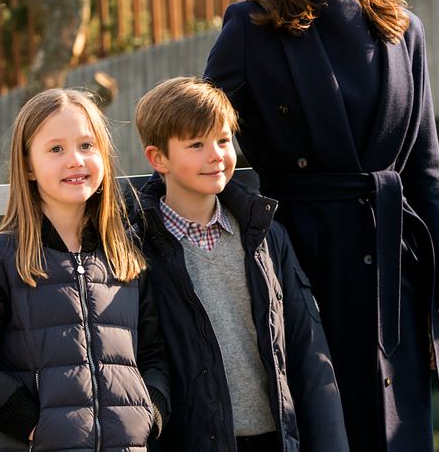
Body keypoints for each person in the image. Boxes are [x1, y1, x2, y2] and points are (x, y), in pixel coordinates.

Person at [204, 0, 439, 451]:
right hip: (300, 266)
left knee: (398, 434)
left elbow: (424, 167)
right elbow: (201, 132)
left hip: (394, 273)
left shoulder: (404, 28)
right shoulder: (250, 27)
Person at [0, 89, 170, 452]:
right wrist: (33, 425)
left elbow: (155, 356)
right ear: (28, 165)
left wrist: (147, 415)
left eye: (86, 145)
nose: (75, 160)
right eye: (56, 149)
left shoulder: (126, 256)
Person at [131, 76, 348, 452]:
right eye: (196, 144)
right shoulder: (136, 247)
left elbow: (307, 349)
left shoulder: (266, 236)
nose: (216, 154)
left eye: (223, 140)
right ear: (158, 158)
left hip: (275, 438)